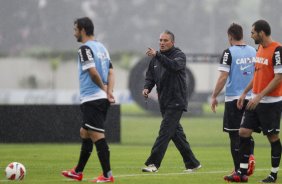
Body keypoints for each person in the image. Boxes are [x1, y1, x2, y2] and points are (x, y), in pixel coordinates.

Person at [225, 20, 282, 183]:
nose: (251, 35)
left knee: (272, 137)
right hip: (254, 100)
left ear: (261, 33)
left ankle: (273, 174)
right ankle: (242, 173)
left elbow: (278, 78)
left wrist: (259, 96)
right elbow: (257, 75)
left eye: (253, 33)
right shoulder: (260, 49)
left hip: (271, 102)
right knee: (243, 132)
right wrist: (245, 93)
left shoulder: (277, 50)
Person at [61, 17, 115, 183]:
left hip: (93, 98)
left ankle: (107, 175)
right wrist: (109, 92)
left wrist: (104, 90)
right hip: (101, 97)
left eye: (75, 29)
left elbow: (92, 73)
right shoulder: (102, 48)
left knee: (97, 135)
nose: (74, 33)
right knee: (85, 132)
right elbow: (111, 72)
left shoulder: (84, 49)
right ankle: (78, 171)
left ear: (83, 30)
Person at [141, 30, 201, 173]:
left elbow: (173, 66)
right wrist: (146, 88)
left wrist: (157, 55)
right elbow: (150, 76)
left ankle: (153, 163)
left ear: (172, 42)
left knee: (165, 132)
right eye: (160, 40)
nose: (162, 43)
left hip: (177, 101)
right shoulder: (155, 59)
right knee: (176, 134)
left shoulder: (179, 56)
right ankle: (192, 163)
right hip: (164, 101)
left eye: (165, 40)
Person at [210, 23, 256, 178]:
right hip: (252, 98)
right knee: (247, 133)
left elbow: (223, 77)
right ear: (241, 35)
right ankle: (249, 156)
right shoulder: (254, 51)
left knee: (234, 135)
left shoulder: (228, 52)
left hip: (234, 99)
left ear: (230, 36)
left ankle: (239, 171)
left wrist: (214, 95)